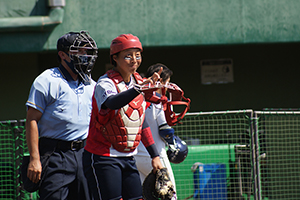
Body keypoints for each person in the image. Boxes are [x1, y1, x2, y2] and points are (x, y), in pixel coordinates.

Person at [83, 33, 163, 200]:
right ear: (115, 59)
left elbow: (141, 122)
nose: (134, 60)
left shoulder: (138, 82)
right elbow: (112, 102)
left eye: (137, 55)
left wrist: (155, 155)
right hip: (102, 157)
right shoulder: (105, 83)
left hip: (128, 157)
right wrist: (138, 89)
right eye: (127, 56)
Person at [25, 31, 98, 199]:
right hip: (55, 154)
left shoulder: (92, 84)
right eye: (78, 51)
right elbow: (31, 120)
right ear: (62, 55)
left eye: (86, 51)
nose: (84, 56)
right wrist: (34, 159)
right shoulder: (47, 80)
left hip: (85, 153)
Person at [134, 63, 177, 191]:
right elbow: (165, 130)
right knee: (169, 193)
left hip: (136, 154)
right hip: (156, 154)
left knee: (145, 194)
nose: (168, 86)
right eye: (167, 82)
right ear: (160, 81)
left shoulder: (136, 97)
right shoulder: (160, 100)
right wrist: (174, 144)